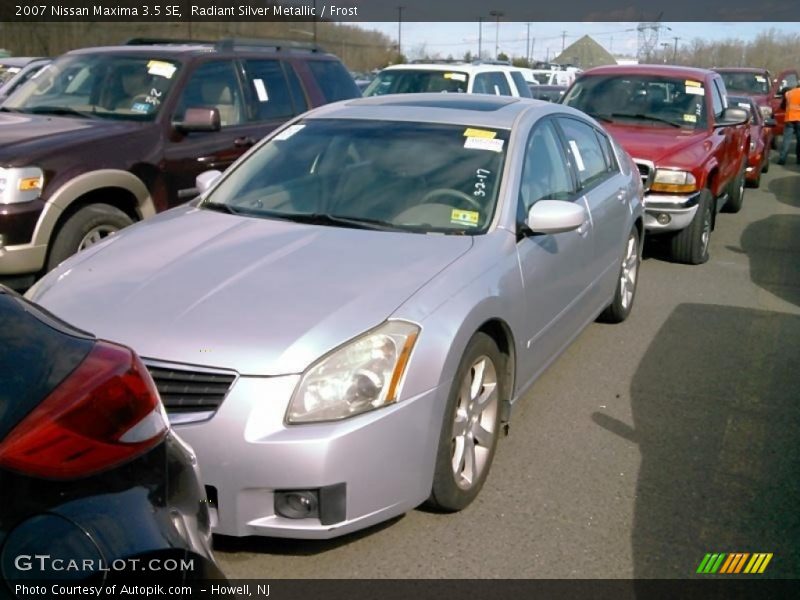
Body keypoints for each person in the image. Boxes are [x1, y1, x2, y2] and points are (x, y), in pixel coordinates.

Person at [777, 81, 800, 165]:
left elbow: (782, 106)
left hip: (789, 118)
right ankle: (799, 159)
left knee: (786, 140)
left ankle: (782, 159)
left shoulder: (789, 93)